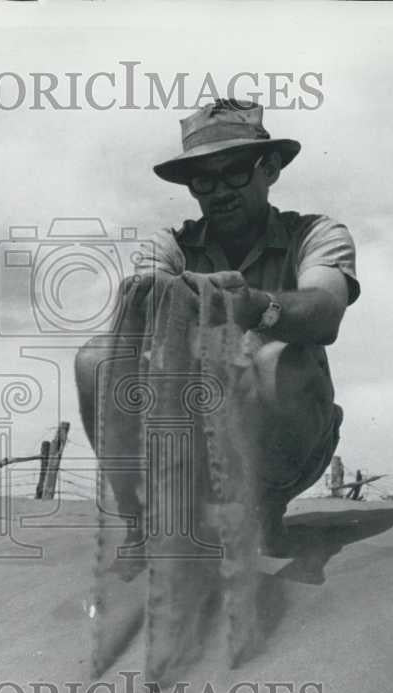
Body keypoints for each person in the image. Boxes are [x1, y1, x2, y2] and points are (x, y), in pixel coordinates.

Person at [75, 98, 360, 566]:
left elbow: (325, 310)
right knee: (95, 359)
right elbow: (133, 339)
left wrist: (253, 306)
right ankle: (141, 520)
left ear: (269, 168)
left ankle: (263, 509)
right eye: (203, 179)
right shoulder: (170, 246)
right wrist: (154, 308)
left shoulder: (316, 234)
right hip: (192, 434)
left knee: (271, 359)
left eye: (235, 173)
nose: (219, 190)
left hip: (291, 442)